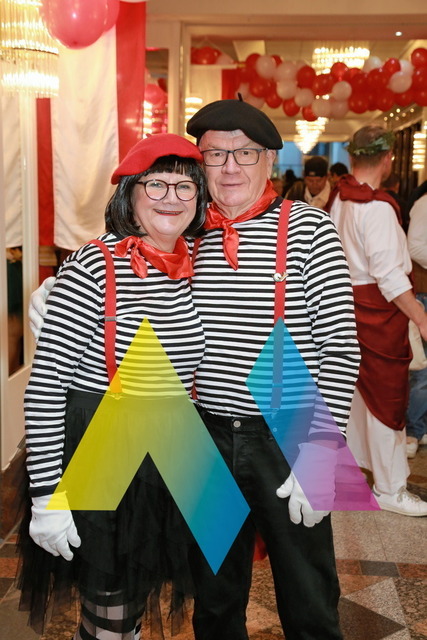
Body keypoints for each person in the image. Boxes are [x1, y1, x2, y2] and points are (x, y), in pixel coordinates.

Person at [31, 99, 361, 640]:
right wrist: (60, 289)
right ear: (199, 163)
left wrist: (323, 449)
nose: (230, 167)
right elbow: (127, 249)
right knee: (214, 595)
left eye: (245, 153)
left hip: (290, 424)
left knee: (309, 595)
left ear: (269, 160)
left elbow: (340, 347)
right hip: (199, 431)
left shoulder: (310, 228)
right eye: (214, 155)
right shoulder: (187, 225)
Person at [19, 133, 209, 640]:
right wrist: (46, 497)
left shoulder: (197, 262)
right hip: (104, 444)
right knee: (110, 612)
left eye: (185, 186)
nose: (171, 197)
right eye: (156, 184)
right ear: (129, 192)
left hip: (171, 444)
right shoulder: (94, 265)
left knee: (136, 607)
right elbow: (45, 387)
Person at [326, 125, 427, 517]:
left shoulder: (340, 197)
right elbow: (389, 277)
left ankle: (357, 472)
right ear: (388, 159)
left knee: (357, 398)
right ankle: (389, 488)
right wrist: (420, 316)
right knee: (387, 399)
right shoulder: (378, 207)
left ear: (353, 157)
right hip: (378, 313)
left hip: (346, 307)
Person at [406, 191, 427, 456]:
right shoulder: (424, 204)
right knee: (422, 369)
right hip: (423, 292)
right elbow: (415, 247)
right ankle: (413, 430)